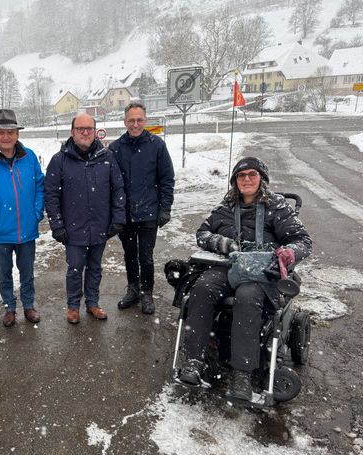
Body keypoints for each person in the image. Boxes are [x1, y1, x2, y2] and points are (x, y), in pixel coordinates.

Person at [178, 157, 312, 400]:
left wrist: (289, 253)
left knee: (247, 297)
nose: (247, 179)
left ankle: (242, 373)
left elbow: (303, 241)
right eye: (241, 176)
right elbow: (202, 233)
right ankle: (194, 361)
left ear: (262, 178)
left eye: (252, 174)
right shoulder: (226, 207)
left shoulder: (277, 207)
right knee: (202, 288)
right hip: (230, 267)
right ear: (234, 181)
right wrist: (219, 242)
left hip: (261, 271)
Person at [44, 113, 126, 324]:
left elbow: (118, 189)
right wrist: (57, 225)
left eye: (89, 128)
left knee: (95, 268)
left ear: (94, 131)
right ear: (72, 132)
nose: (85, 132)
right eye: (80, 128)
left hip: (100, 226)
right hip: (73, 229)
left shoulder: (106, 157)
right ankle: (73, 306)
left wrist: (117, 218)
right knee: (74, 269)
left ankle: (92, 303)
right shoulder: (59, 160)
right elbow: (51, 195)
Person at [0, 109, 45, 328]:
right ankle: (9, 308)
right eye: (1, 132)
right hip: (0, 233)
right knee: (5, 274)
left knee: (27, 272)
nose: (6, 136)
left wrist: (37, 211)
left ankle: (29, 305)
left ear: (17, 134)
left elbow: (40, 185)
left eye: (10, 132)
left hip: (26, 230)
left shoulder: (29, 157)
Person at [109, 102, 175, 315]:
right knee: (129, 254)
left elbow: (166, 178)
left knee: (145, 256)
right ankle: (133, 289)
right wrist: (113, 212)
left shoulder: (156, 145)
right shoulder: (116, 148)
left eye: (139, 120)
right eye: (131, 120)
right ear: (125, 122)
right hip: (125, 214)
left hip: (149, 213)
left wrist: (165, 208)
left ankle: (147, 292)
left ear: (145, 121)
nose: (135, 124)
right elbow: (109, 184)